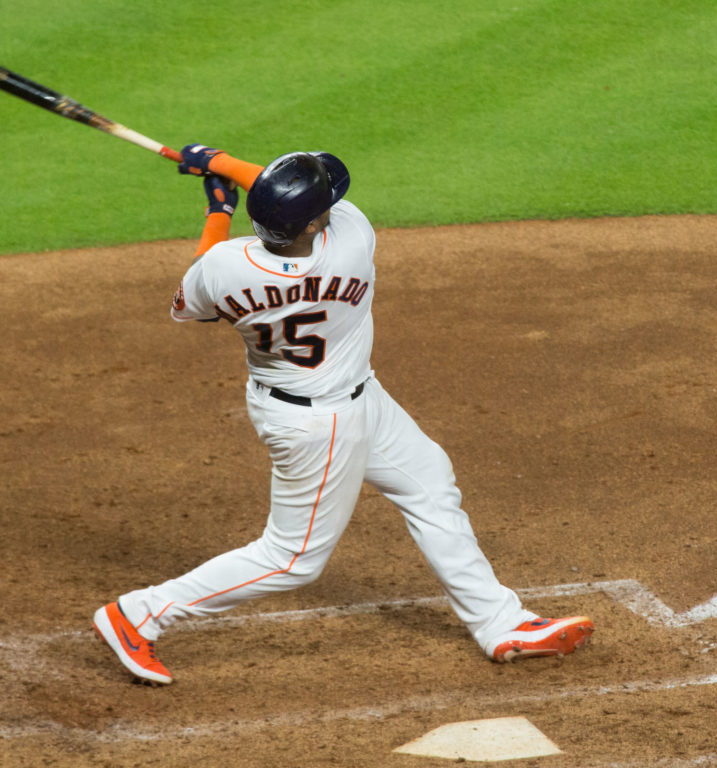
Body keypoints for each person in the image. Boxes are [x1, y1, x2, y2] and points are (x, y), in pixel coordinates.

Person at [93, 145, 594, 685]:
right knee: (292, 559)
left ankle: (500, 623)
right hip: (321, 427)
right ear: (313, 223)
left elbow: (188, 303)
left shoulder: (223, 267)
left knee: (428, 479)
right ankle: (139, 613)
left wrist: (217, 209)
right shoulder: (351, 240)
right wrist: (220, 159)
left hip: (320, 400)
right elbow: (272, 184)